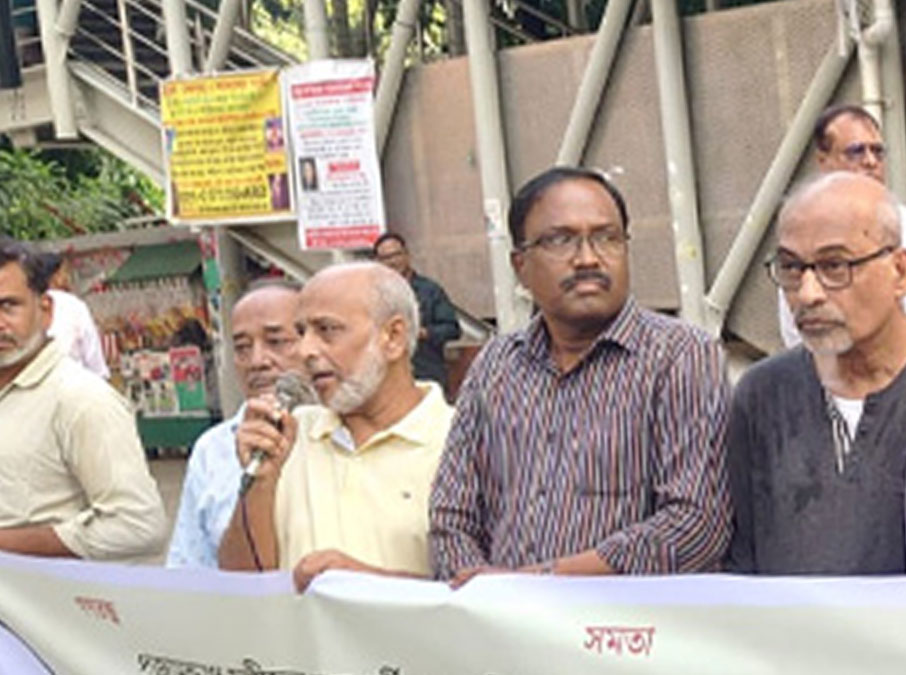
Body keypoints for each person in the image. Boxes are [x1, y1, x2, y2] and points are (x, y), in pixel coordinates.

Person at [429, 167, 731, 586]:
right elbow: (451, 516)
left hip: (626, 622)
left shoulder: (680, 356)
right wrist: (483, 590)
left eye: (607, 238)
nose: (588, 258)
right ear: (521, 266)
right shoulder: (496, 364)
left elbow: (696, 523)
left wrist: (540, 583)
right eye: (560, 240)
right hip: (500, 618)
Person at [726, 173, 906, 575]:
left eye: (835, 266)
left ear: (901, 272)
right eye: (791, 268)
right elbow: (739, 565)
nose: (807, 294)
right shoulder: (761, 397)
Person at [218, 262, 454, 591]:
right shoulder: (288, 436)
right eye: (301, 332)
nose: (305, 350)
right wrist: (260, 484)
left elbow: (487, 594)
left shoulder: (460, 441)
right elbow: (242, 585)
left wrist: (366, 585)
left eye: (326, 330)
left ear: (393, 337)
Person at [0, 237, 166, 560]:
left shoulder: (81, 399)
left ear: (45, 310)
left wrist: (10, 545)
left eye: (8, 306)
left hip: (41, 591)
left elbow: (138, 525)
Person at [777, 104, 906, 347]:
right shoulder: (803, 243)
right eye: (855, 152)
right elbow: (797, 332)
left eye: (877, 151)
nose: (870, 161)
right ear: (824, 161)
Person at [166, 280, 302, 568]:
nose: (257, 361)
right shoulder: (212, 449)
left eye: (276, 342)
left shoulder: (340, 435)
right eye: (242, 348)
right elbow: (190, 569)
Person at [373, 232, 462, 392]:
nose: (392, 262)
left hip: (427, 374)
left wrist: (423, 333)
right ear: (377, 262)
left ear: (407, 255)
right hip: (386, 379)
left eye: (396, 255)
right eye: (385, 258)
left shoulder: (430, 290)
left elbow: (452, 329)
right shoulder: (372, 294)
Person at [40, 252, 109, 379]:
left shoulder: (28, 304)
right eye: (65, 272)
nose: (68, 278)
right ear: (55, 276)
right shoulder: (73, 305)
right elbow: (93, 355)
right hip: (75, 381)